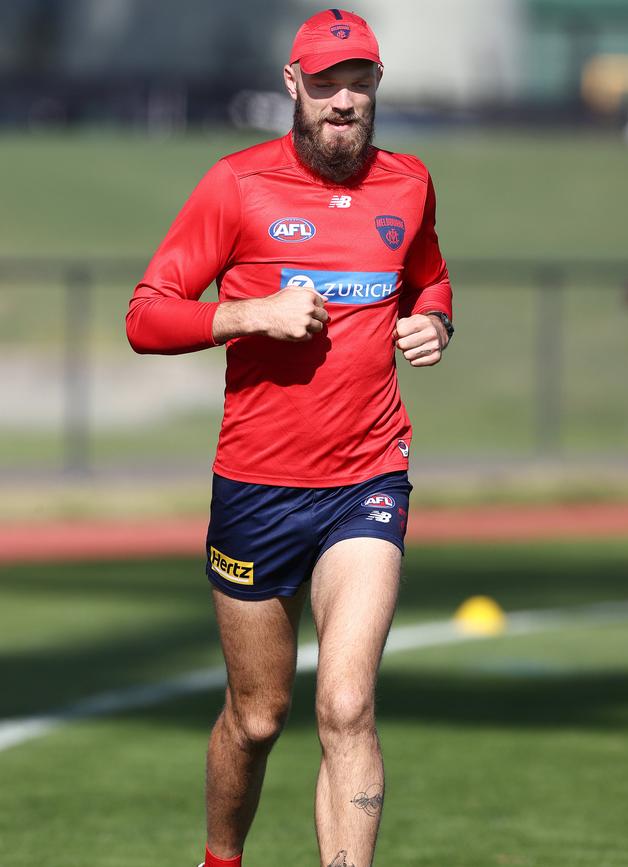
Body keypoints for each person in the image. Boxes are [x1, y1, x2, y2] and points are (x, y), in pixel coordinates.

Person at [126, 9, 453, 867]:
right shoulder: (236, 185)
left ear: (376, 86)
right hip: (258, 487)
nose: (343, 101)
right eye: (326, 83)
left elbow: (430, 275)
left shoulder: (410, 183)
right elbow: (146, 314)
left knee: (346, 703)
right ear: (292, 86)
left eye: (360, 82)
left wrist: (435, 321)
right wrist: (246, 314)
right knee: (259, 715)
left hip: (368, 477)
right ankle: (220, 858)